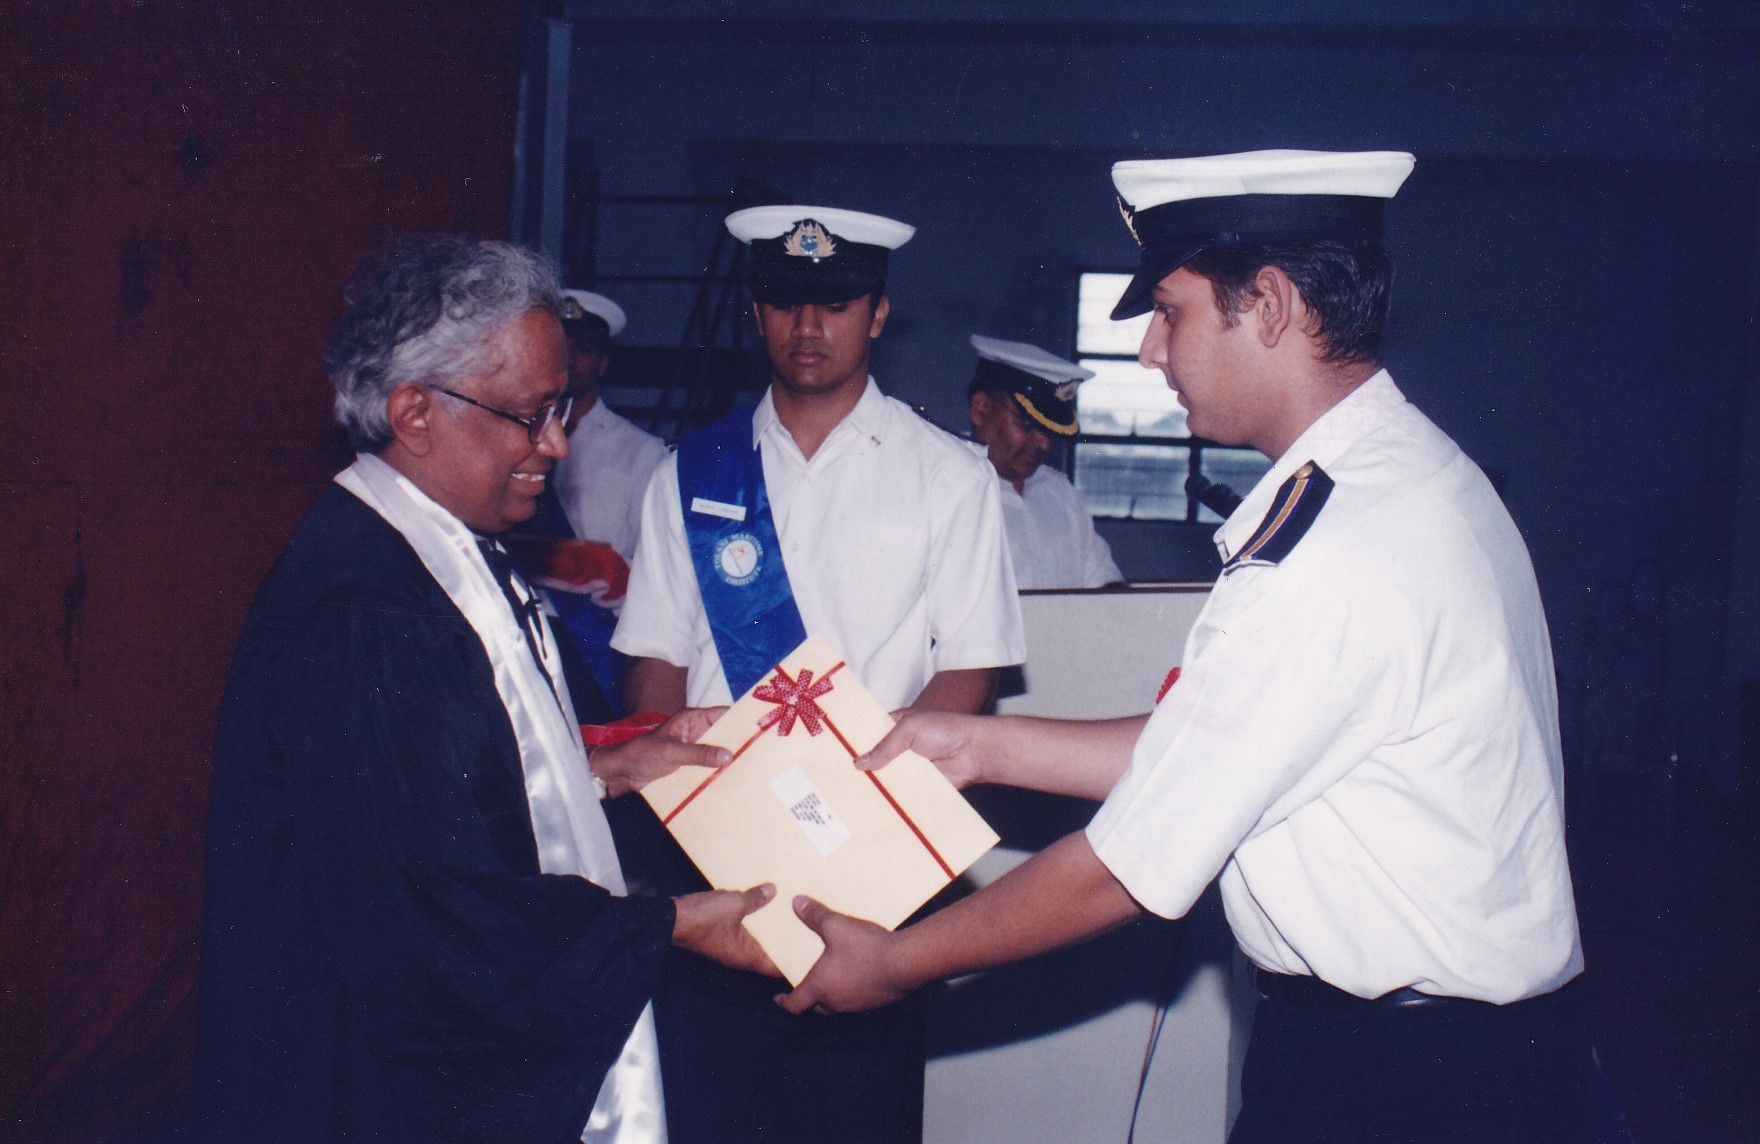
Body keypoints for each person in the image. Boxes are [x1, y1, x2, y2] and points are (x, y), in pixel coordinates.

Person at [780, 151, 1592, 1144]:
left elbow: (1124, 868)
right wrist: (979, 745)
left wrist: (894, 963)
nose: (1149, 352)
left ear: (1270, 305)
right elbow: (1216, 746)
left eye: (1169, 313)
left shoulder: (1333, 552)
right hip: (1459, 1055)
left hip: (1402, 1081)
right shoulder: (1406, 480)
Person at [191, 236, 775, 1144]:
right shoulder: (366, 608)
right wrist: (669, 926)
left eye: (562, 408)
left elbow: (443, 792)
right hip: (361, 1077)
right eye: (531, 414)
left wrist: (609, 769)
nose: (557, 443)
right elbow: (432, 913)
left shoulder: (441, 553)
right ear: (415, 413)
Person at [611, 205, 1026, 1142]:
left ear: (877, 313)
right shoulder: (690, 472)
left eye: (835, 303)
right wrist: (689, 815)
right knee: (710, 1108)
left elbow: (968, 675)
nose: (808, 326)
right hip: (713, 856)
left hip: (870, 862)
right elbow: (654, 660)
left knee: (855, 1113)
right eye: (786, 302)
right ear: (755, 312)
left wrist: (867, 825)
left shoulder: (947, 476)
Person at [514, 289, 668, 713]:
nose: (568, 360)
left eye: (582, 349)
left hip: (595, 642)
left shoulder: (641, 452)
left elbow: (650, 568)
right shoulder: (508, 437)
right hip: (518, 626)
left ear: (602, 362)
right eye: (559, 346)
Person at [967, 333, 1123, 589]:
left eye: (1049, 431)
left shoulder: (1058, 491)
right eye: (1028, 424)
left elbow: (1104, 584)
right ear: (981, 409)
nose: (1044, 444)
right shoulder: (952, 490)